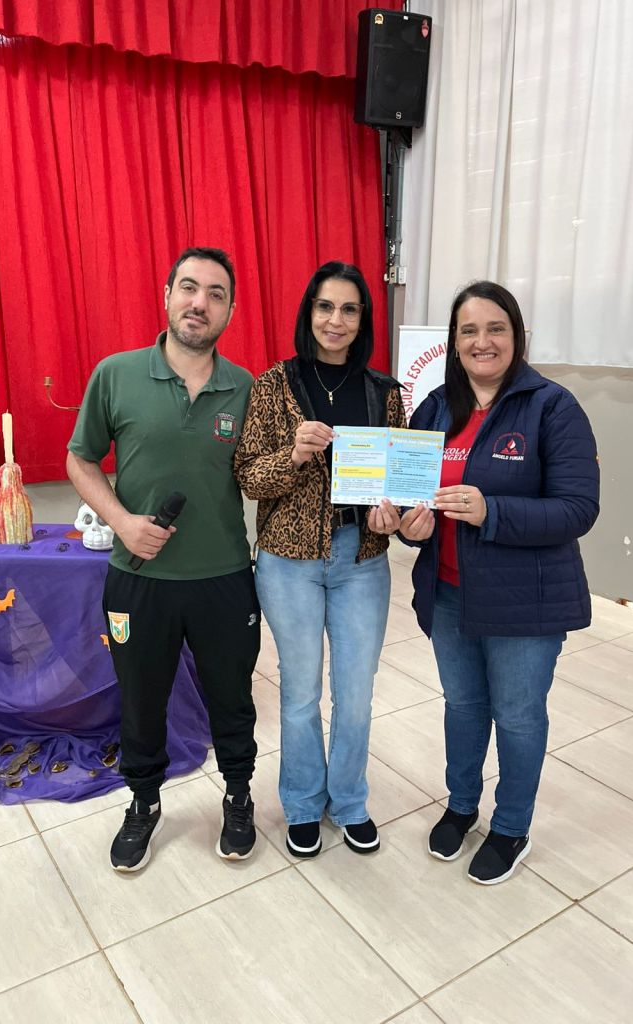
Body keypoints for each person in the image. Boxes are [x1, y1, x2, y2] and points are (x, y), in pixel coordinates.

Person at [397, 280, 599, 884]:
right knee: (462, 707)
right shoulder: (435, 408)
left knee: (516, 716)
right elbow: (414, 499)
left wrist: (493, 512)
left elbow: (578, 509)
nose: (482, 342)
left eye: (495, 329)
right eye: (469, 330)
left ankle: (511, 826)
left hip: (525, 602)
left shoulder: (552, 407)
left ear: (517, 336)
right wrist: (409, 524)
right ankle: (461, 806)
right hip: (449, 593)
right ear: (453, 341)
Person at [67, 247, 260, 872]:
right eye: (189, 288)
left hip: (224, 579)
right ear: (168, 295)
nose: (200, 303)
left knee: (232, 697)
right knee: (141, 699)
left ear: (230, 310)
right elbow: (80, 458)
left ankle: (238, 794)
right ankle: (144, 803)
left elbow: (263, 474)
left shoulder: (247, 388)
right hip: (139, 580)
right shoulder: (116, 374)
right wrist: (121, 522)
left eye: (216, 294)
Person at [234, 261, 404, 858]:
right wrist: (294, 455)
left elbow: (399, 484)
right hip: (289, 562)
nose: (336, 320)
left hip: (363, 558)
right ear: (309, 312)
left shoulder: (385, 392)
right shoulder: (272, 384)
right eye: (326, 306)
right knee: (301, 692)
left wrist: (392, 514)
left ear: (363, 320)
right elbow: (249, 476)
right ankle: (304, 803)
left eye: (350, 309)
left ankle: (350, 800)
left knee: (355, 694)